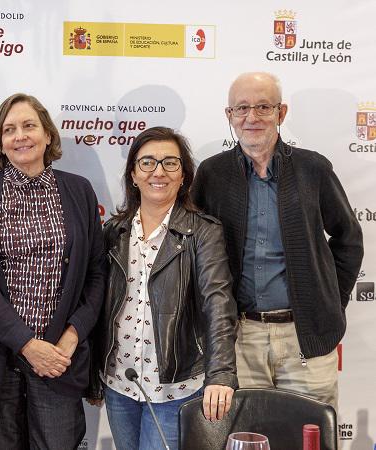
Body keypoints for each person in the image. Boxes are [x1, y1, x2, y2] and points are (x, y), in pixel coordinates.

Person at [191, 72, 364, 410]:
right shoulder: (211, 174)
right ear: (229, 116)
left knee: (310, 436)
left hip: (305, 337)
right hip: (239, 338)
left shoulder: (313, 169)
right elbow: (195, 250)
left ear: (281, 113)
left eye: (263, 106)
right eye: (241, 108)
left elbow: (349, 239)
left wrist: (327, 300)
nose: (251, 117)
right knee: (247, 435)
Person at [0, 93, 105, 449]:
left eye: (28, 126)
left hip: (58, 359)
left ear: (48, 134)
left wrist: (68, 340)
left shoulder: (79, 190)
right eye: (9, 130)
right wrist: (25, 343)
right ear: (0, 142)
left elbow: (96, 275)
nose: (19, 136)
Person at [86, 126, 238, 450]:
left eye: (170, 163)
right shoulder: (114, 231)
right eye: (147, 163)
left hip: (175, 387)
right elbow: (98, 305)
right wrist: (92, 376)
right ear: (133, 174)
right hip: (119, 384)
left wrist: (222, 374)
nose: (159, 171)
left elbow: (219, 304)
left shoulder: (203, 232)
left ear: (183, 176)